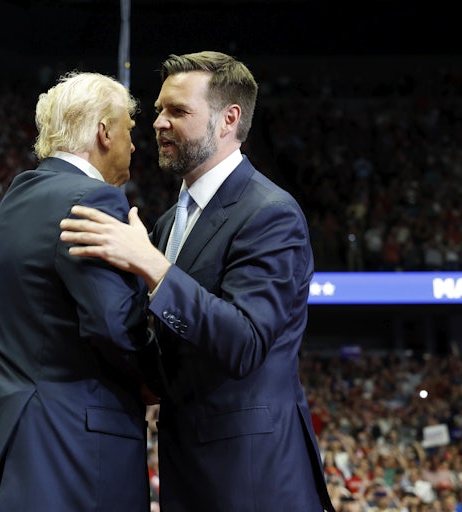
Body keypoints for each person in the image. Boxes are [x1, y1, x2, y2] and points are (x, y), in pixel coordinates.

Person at [59, 51, 335, 512]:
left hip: (252, 481)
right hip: (191, 472)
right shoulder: (169, 223)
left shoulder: (272, 214)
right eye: (160, 109)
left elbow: (245, 342)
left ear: (229, 119)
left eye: (179, 111)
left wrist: (154, 268)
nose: (158, 123)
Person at [0, 71, 161, 512]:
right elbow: (112, 324)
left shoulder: (19, 194)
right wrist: (162, 380)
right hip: (65, 453)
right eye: (128, 130)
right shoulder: (95, 199)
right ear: (104, 132)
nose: (135, 145)